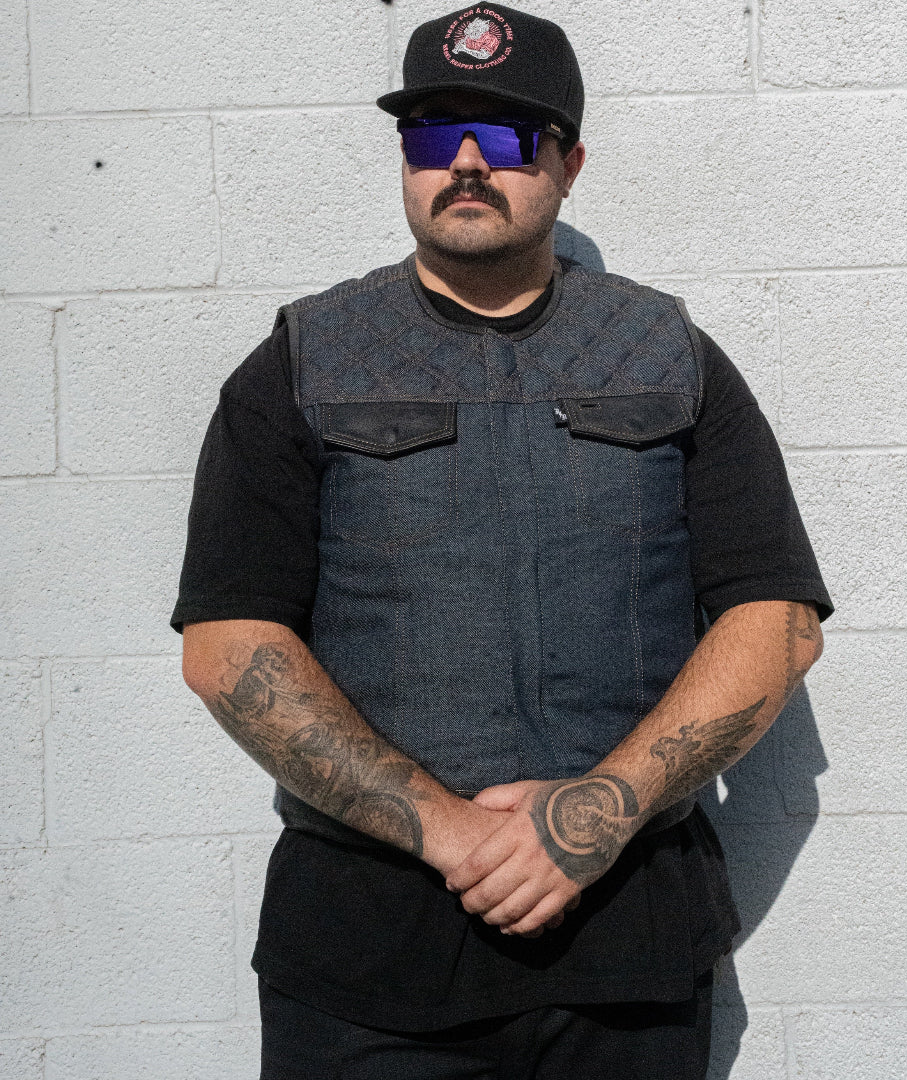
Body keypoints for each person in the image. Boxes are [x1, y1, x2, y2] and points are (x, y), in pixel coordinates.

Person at [173, 6, 833, 1078]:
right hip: (363, 961)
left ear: (569, 164)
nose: (468, 163)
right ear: (404, 158)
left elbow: (777, 621)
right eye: (434, 133)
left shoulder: (669, 353)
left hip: (629, 948)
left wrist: (594, 814)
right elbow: (226, 645)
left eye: (511, 136)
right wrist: (450, 831)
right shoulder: (301, 361)